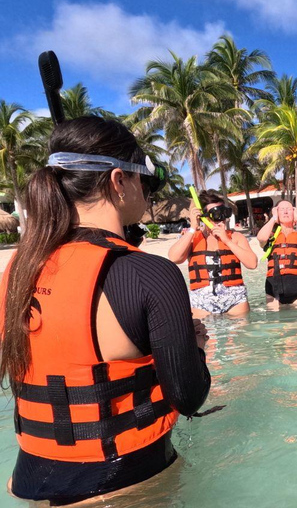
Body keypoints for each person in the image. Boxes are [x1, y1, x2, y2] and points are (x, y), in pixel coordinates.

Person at [0, 116, 210, 504]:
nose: (146, 194)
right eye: (143, 183)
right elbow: (188, 395)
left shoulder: (17, 267)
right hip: (123, 484)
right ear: (118, 181)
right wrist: (195, 348)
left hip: (30, 480)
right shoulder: (149, 272)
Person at [168, 190, 257, 317]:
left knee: (239, 336)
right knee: (206, 336)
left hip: (235, 301)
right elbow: (174, 257)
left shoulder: (235, 237)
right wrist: (193, 227)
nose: (221, 219)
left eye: (224, 213)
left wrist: (226, 240)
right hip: (201, 302)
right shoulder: (193, 238)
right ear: (204, 216)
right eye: (215, 214)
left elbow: (252, 264)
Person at [256, 200, 297, 308]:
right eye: (281, 210)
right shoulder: (270, 237)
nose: (285, 212)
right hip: (273, 288)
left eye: (289, 209)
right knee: (275, 323)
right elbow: (261, 238)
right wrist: (273, 218)